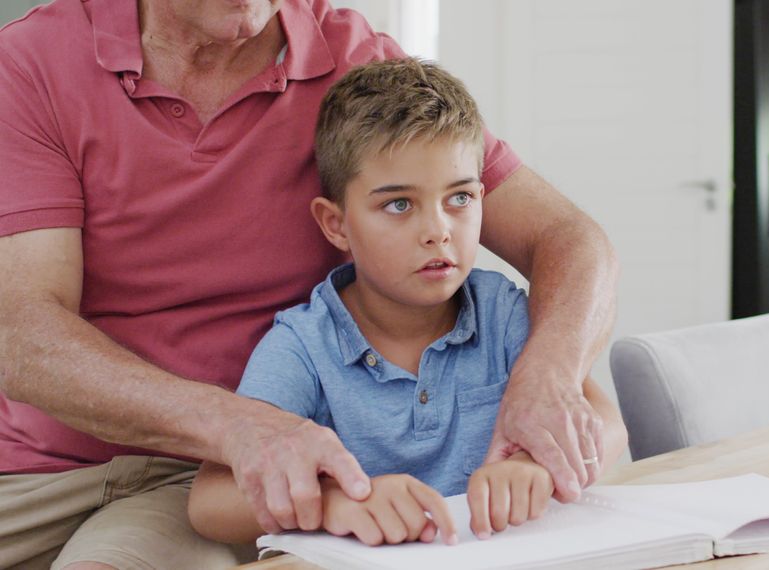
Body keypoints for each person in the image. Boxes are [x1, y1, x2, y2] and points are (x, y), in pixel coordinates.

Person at [0, 0, 617, 568]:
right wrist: (237, 424)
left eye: (458, 200)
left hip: (206, 480)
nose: (435, 228)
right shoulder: (33, 63)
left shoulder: (353, 63)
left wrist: (548, 381)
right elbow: (20, 331)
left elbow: (569, 238)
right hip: (30, 467)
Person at [188, 58, 628, 546]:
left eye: (459, 199)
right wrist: (337, 501)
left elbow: (607, 425)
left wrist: (537, 469)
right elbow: (210, 500)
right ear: (336, 224)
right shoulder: (302, 346)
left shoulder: (503, 313)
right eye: (399, 205)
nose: (438, 230)